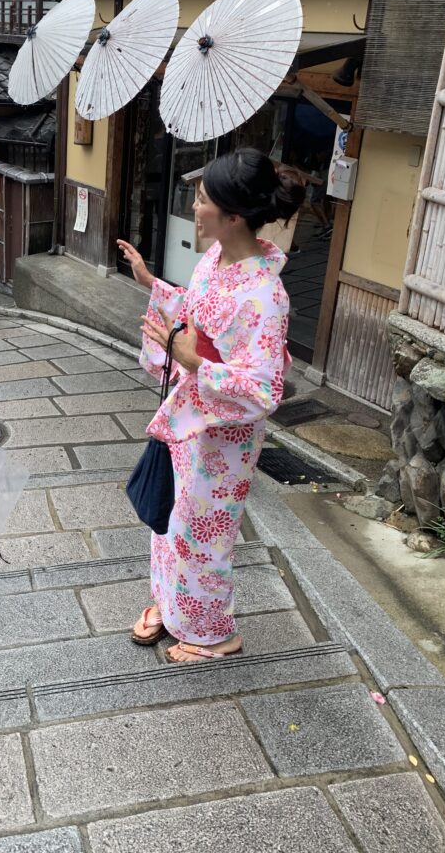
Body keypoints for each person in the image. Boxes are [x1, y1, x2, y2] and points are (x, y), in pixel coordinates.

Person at [118, 148, 304, 664]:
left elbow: (264, 389)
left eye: (201, 200)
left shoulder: (266, 295)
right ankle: (171, 605)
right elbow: (196, 312)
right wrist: (150, 284)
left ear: (234, 215)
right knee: (174, 519)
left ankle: (214, 633)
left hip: (224, 435)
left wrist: (196, 363)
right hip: (191, 419)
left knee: (206, 534)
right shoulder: (214, 258)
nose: (194, 208)